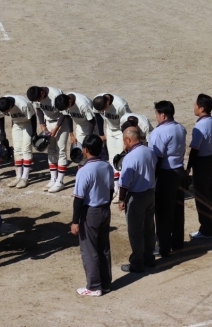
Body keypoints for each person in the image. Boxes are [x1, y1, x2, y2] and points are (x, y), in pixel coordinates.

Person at [71, 135, 114, 297]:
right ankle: (106, 284)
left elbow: (78, 199)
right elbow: (111, 190)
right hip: (105, 210)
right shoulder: (107, 166)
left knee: (89, 250)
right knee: (103, 248)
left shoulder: (84, 171)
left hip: (91, 212)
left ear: (86, 150)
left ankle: (94, 286)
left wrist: (75, 222)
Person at [147, 100, 187, 256]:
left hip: (166, 175)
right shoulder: (180, 128)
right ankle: (177, 243)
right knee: (177, 210)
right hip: (179, 172)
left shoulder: (159, 133)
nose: (156, 116)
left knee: (163, 212)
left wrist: (153, 179)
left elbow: (157, 159)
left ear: (162, 115)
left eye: (157, 113)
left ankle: (163, 247)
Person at [117, 126, 157, 273]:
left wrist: (121, 200)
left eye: (124, 141)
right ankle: (149, 258)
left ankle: (137, 263)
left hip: (136, 197)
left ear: (129, 140)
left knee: (135, 232)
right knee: (149, 228)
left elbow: (124, 183)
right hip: (150, 194)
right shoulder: (149, 151)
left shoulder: (130, 157)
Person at [187, 94, 212, 240]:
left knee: (202, 197)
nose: (194, 107)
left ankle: (206, 230)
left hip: (202, 163)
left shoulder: (200, 126)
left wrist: (188, 167)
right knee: (211, 195)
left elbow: (195, 149)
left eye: (196, 105)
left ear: (201, 108)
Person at [26, 86, 70, 192]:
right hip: (48, 123)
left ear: (42, 92)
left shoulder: (55, 94)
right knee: (51, 150)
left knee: (61, 151)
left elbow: (64, 112)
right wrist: (42, 124)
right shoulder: (37, 96)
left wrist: (56, 128)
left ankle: (60, 181)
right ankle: (53, 178)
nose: (38, 101)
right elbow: (39, 110)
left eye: (38, 99)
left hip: (61, 124)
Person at [92, 93, 132, 195]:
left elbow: (128, 122)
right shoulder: (98, 101)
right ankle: (115, 188)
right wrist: (101, 133)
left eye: (103, 109)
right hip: (110, 130)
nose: (102, 112)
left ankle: (123, 189)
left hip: (121, 131)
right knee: (111, 160)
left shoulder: (120, 105)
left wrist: (125, 138)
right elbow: (97, 115)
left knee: (121, 160)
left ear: (108, 102)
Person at [0, 95, 36, 189]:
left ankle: (25, 178)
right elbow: (0, 117)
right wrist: (2, 132)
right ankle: (18, 176)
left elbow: (33, 117)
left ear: (10, 105)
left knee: (26, 149)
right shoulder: (1, 104)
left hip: (27, 124)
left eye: (6, 111)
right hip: (16, 124)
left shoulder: (23, 104)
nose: (5, 113)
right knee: (17, 150)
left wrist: (34, 133)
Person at [54, 92, 96, 164]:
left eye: (67, 107)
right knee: (80, 153)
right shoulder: (64, 101)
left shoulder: (83, 104)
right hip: (80, 126)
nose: (66, 109)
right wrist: (71, 134)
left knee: (92, 151)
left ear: (70, 101)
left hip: (92, 126)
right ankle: (82, 169)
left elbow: (92, 121)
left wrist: (88, 138)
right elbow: (68, 117)